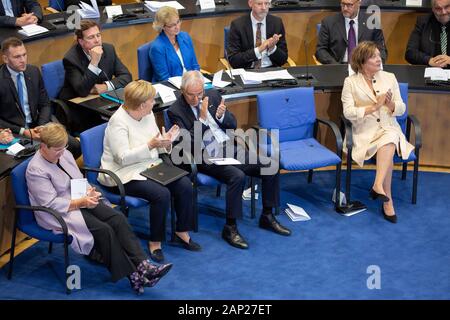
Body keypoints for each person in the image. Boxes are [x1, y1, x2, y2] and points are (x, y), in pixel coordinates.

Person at [26, 123, 172, 294]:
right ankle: (133, 275)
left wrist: (89, 191)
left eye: (63, 147)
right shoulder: (36, 169)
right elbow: (49, 203)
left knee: (117, 219)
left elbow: (77, 178)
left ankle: (143, 265)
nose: (61, 153)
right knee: (104, 230)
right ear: (43, 146)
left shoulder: (64, 154)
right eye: (57, 150)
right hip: (58, 212)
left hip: (79, 199)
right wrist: (82, 202)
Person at [168, 71, 291, 250]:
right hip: (204, 155)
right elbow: (188, 144)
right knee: (237, 176)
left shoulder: (213, 95)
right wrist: (202, 119)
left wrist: (221, 116)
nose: (196, 99)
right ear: (182, 91)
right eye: (191, 95)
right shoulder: (175, 112)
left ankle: (267, 215)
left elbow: (232, 124)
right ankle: (230, 228)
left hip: (227, 147)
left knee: (270, 164)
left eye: (199, 93)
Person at [98, 80, 200, 263]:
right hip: (123, 173)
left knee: (184, 184)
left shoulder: (148, 113)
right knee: (161, 194)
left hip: (149, 165)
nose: (154, 103)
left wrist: (165, 143)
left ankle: (181, 231)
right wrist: (151, 145)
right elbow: (122, 158)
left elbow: (155, 142)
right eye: (152, 100)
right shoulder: (118, 122)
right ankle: (155, 242)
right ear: (141, 104)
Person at [341, 41, 414, 223]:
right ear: (362, 61)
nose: (379, 59)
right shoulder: (350, 82)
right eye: (373, 56)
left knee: (389, 136)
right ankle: (385, 198)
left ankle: (379, 187)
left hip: (388, 127)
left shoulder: (389, 77)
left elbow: (402, 108)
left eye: (379, 55)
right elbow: (348, 112)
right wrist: (374, 107)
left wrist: (389, 104)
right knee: (388, 141)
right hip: (365, 132)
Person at [0, 37, 81, 158]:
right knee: (25, 161)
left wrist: (41, 127)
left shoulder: (33, 72)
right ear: (5, 59)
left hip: (38, 124)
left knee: (74, 146)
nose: (23, 60)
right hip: (15, 131)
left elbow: (45, 103)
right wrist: (23, 131)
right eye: (17, 57)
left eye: (24, 55)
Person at [59, 20, 132, 100]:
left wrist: (105, 86)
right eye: (91, 37)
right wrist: (94, 62)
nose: (97, 40)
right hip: (77, 103)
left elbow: (126, 77)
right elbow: (82, 91)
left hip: (101, 97)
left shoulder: (108, 50)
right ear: (81, 41)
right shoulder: (71, 59)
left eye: (98, 35)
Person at [315, 0, 387, 64]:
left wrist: (376, 63)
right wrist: (334, 65)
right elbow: (321, 50)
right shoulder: (328, 22)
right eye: (343, 4)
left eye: (349, 5)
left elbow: (381, 48)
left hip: (365, 66)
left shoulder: (372, 22)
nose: (345, 8)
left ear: (359, 3)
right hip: (337, 66)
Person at [227, 0, 288, 69]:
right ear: (250, 3)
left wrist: (272, 48)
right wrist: (259, 49)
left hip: (271, 70)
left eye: (266, 3)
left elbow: (283, 59)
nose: (264, 8)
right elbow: (234, 61)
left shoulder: (277, 22)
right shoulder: (238, 25)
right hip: (247, 71)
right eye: (259, 4)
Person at [148, 6, 200, 82]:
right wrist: (184, 87)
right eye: (172, 25)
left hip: (190, 83)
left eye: (178, 22)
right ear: (162, 27)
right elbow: (164, 78)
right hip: (170, 86)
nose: (177, 27)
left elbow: (195, 65)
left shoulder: (185, 37)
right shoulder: (157, 47)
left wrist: (197, 80)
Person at [405, 0, 450, 68]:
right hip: (430, 72)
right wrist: (429, 60)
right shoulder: (423, 22)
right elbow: (410, 53)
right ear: (433, 9)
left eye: (447, 7)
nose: (443, 12)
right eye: (438, 8)